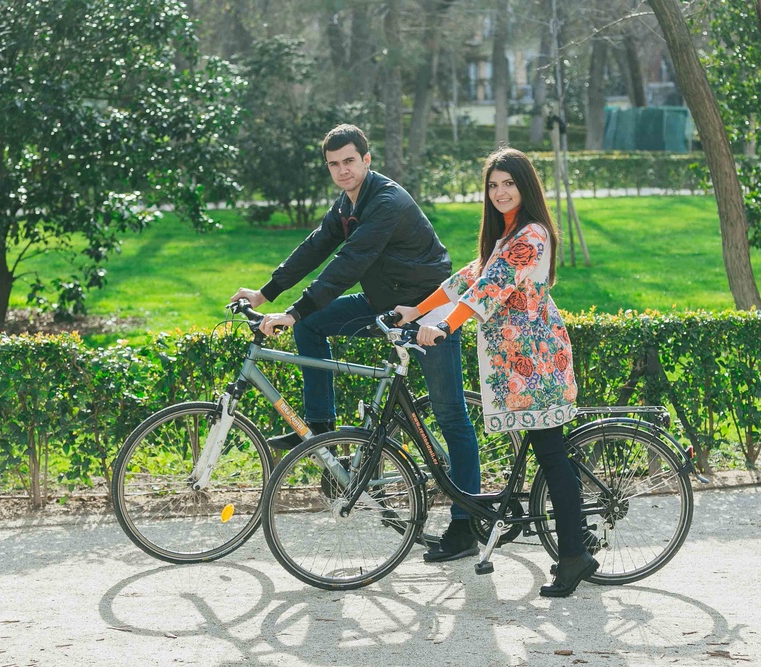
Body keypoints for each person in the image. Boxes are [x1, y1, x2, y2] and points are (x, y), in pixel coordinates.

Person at [231, 124, 483, 562]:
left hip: (428, 310)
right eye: (334, 164)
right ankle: (322, 431)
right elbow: (316, 247)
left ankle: (465, 526)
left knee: (450, 415)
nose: (342, 170)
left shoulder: (385, 201)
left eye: (350, 161)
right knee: (312, 328)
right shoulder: (348, 202)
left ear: (367, 160)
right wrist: (265, 294)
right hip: (383, 303)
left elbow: (350, 261)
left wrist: (294, 310)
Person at [394, 147, 598, 597]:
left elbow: (489, 288)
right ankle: (574, 539)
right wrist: (416, 311)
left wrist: (445, 324)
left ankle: (573, 556)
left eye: (509, 183)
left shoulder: (532, 236)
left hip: (537, 362)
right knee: (547, 452)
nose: (501, 192)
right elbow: (467, 278)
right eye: (493, 184)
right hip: (516, 364)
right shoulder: (505, 235)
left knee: (551, 455)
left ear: (525, 186)